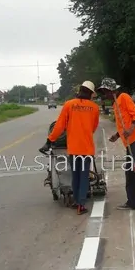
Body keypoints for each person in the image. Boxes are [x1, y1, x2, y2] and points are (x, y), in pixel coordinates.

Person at [97, 78, 135, 215]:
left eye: (105, 91)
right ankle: (132, 202)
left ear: (111, 90)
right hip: (129, 142)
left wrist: (131, 129)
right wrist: (117, 136)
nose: (104, 94)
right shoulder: (115, 104)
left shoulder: (124, 97)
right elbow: (123, 123)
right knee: (130, 173)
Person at [40, 81, 99, 215]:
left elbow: (60, 126)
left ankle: (77, 201)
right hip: (87, 149)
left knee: (75, 176)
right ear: (90, 93)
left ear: (80, 91)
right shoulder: (94, 108)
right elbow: (94, 128)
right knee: (84, 176)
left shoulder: (69, 105)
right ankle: (81, 205)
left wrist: (50, 140)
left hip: (73, 149)